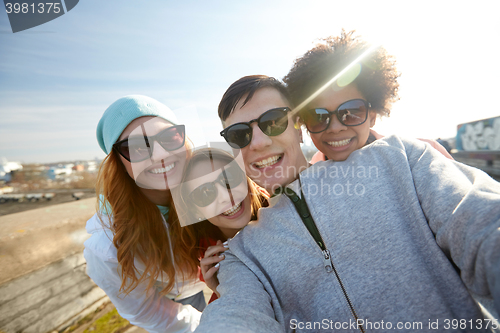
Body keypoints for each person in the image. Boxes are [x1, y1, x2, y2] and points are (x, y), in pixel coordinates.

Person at [195, 74, 500, 332]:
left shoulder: (399, 160)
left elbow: (481, 224)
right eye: (239, 134)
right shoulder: (243, 253)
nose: (258, 142)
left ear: (298, 123)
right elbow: (236, 315)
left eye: (273, 121)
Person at [84, 95, 205, 333]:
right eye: (138, 146)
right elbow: (146, 311)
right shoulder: (109, 244)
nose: (160, 154)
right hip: (177, 307)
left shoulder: (208, 186)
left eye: (170, 137)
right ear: (118, 162)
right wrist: (213, 323)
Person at [283, 30, 452, 163]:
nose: (335, 127)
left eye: (350, 112)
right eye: (318, 116)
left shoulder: (424, 154)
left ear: (372, 116)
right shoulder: (312, 177)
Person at [175, 148, 268, 299]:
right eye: (204, 193)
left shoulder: (287, 213)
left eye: (229, 178)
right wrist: (222, 291)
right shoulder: (209, 258)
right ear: (196, 212)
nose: (226, 196)